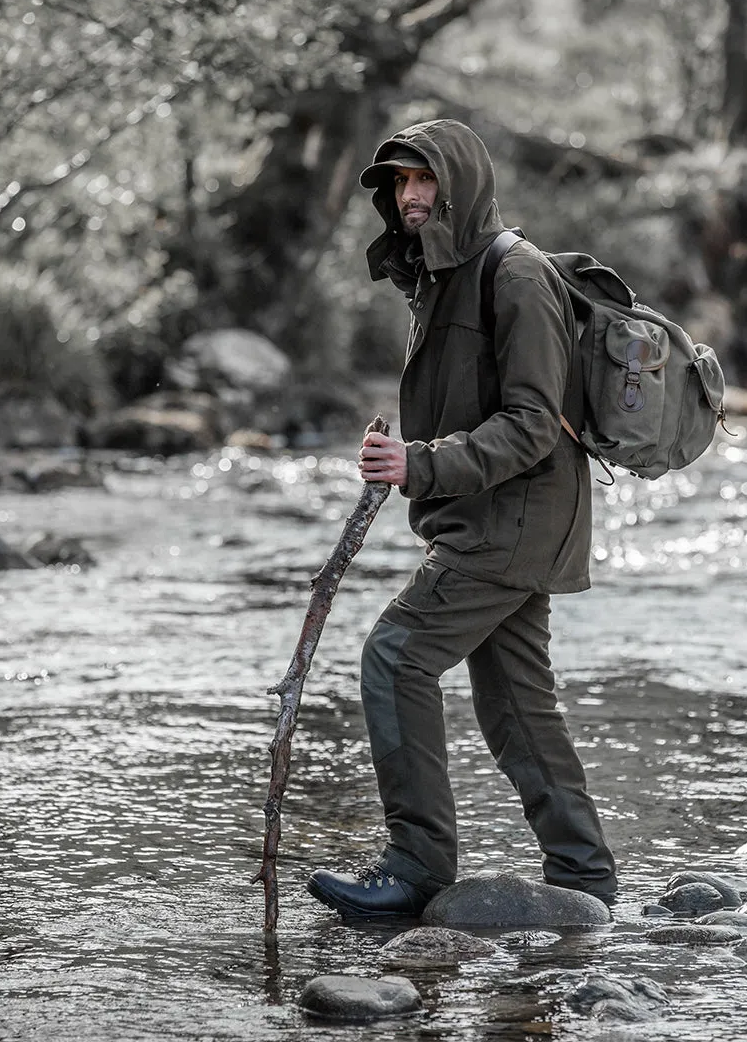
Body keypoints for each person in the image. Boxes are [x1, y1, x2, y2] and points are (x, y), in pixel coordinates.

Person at [306, 119, 617, 919]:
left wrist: (420, 464)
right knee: (514, 700)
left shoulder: (514, 275)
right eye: (399, 183)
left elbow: (532, 424)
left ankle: (415, 865)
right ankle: (584, 881)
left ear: (462, 184)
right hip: (499, 518)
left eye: (424, 180)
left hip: (513, 520)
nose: (409, 196)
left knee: (395, 658)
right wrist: (410, 454)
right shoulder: (443, 273)